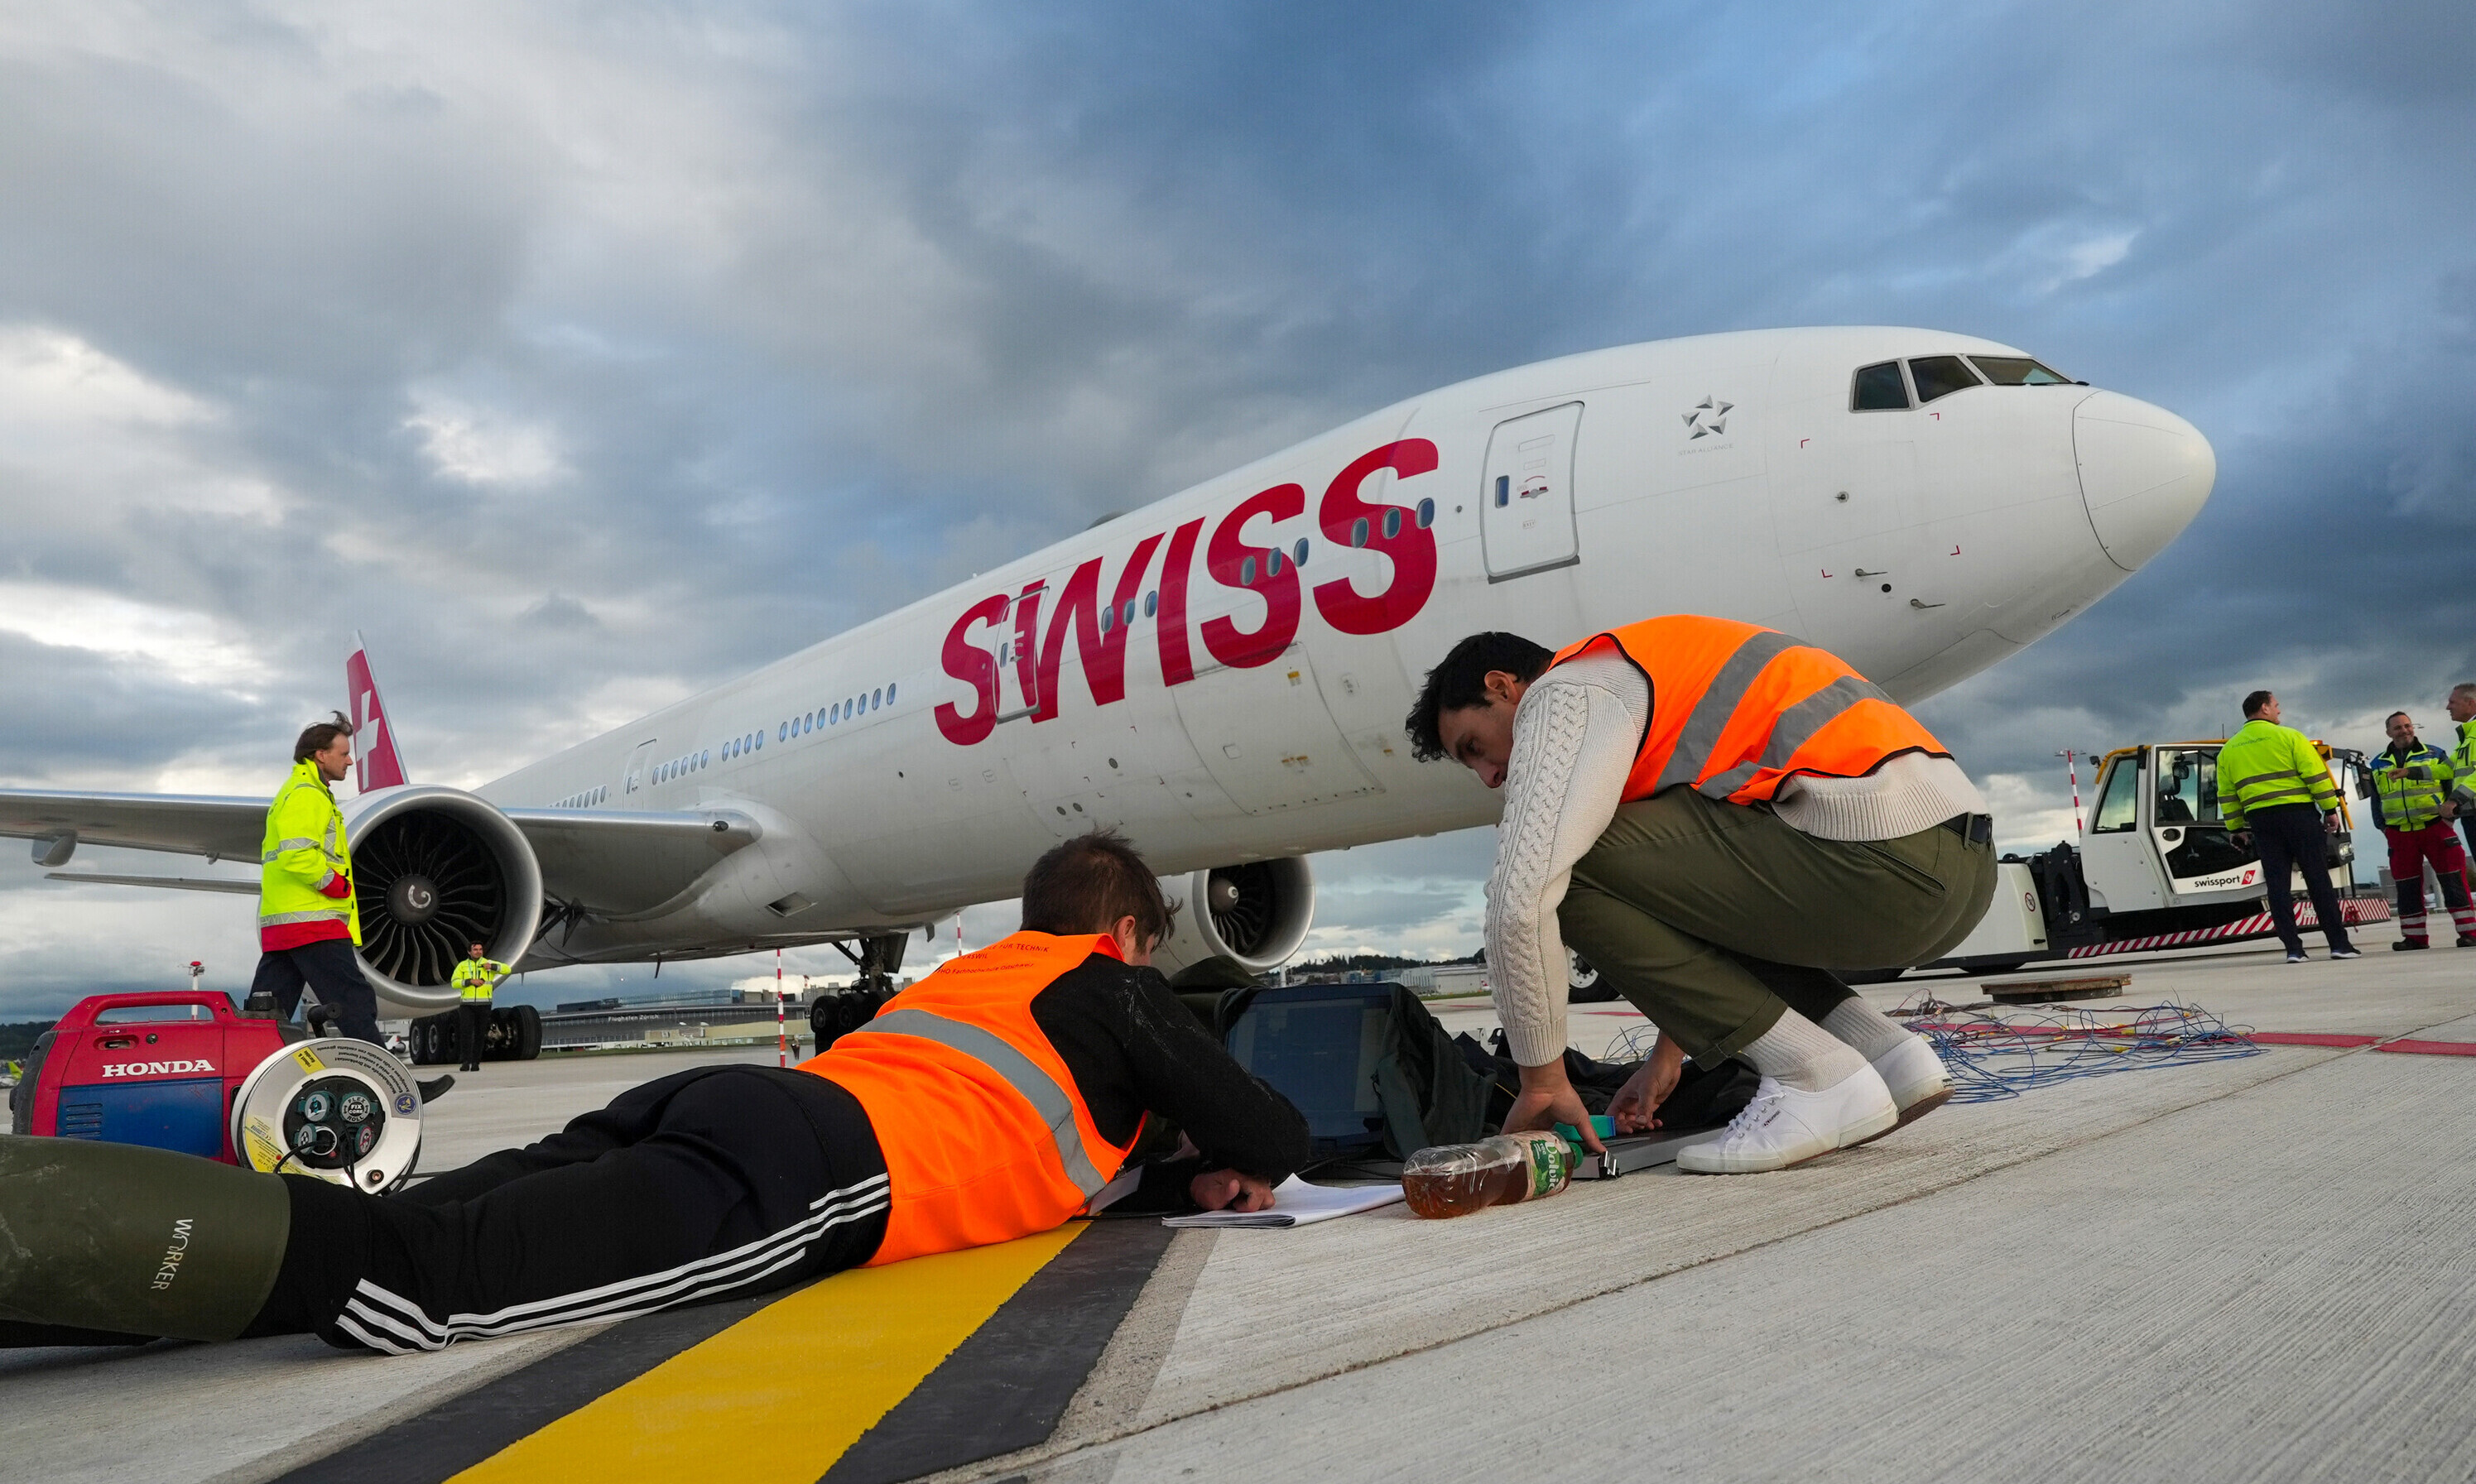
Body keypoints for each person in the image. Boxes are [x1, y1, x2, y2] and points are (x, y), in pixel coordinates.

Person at [0, 830, 1307, 1352]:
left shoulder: (969, 979)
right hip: (813, 1176)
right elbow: (1276, 1135)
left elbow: (1025, 1134)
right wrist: (1219, 1140)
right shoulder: (1111, 984)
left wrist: (1165, 1172)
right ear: (1128, 933)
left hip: (722, 1101)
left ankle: (49, 1270)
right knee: (421, 1280)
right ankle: (48, 1240)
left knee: (449, 1204)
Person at [1406, 617, 1996, 1175]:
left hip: (1881, 859)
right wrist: (1666, 1055)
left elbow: (1520, 896)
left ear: (1503, 687)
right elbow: (1700, 898)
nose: (1488, 776)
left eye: (1473, 747)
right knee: (1606, 855)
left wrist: (1540, 1080)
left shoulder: (1571, 689)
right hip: (1954, 865)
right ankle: (1882, 1052)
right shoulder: (1650, 678)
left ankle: (1814, 1073)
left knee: (1567, 866)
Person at [248, 716, 387, 1048]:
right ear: (320, 755)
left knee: (266, 1015)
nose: (350, 760)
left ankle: (245, 1080)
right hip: (313, 919)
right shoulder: (307, 795)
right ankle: (393, 1083)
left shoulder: (295, 793)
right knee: (353, 1002)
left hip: (286, 924)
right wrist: (336, 886)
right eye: (343, 753)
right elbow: (297, 855)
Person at [2216, 690, 2360, 963]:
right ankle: (2339, 945)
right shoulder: (2291, 737)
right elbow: (2315, 775)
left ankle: (2294, 950)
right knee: (2318, 879)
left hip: (2261, 822)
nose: (2279, 711)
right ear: (2264, 708)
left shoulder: (2229, 750)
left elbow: (2227, 794)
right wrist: (2330, 809)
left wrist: (2236, 828)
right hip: (2299, 816)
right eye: (2276, 706)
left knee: (2277, 887)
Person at [2368, 713, 2476, 950]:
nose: (2404, 730)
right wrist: (2383, 826)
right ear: (2388, 733)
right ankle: (2414, 938)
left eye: (2407, 726)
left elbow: (2453, 783)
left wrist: (2450, 819)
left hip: (2436, 828)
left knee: (2454, 882)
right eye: (2397, 728)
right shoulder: (2377, 763)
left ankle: (2470, 933)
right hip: (2400, 834)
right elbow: (2376, 798)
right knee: (2406, 888)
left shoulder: (2435, 754)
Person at [450, 943, 512, 1069]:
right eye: (475, 950)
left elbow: (507, 969)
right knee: (466, 1033)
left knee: (480, 1034)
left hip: (484, 1004)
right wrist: (469, 982)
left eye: (480, 949)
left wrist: (493, 966)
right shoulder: (462, 966)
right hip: (467, 1004)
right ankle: (466, 1062)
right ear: (469, 952)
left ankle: (476, 1062)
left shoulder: (488, 964)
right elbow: (454, 983)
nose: (478, 952)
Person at [2448, 683, 2476, 863]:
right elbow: (2447, 768)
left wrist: (2454, 799)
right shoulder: (2469, 734)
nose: (2448, 707)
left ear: (2471, 703)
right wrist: (2410, 772)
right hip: (2471, 813)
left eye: (2452, 702)